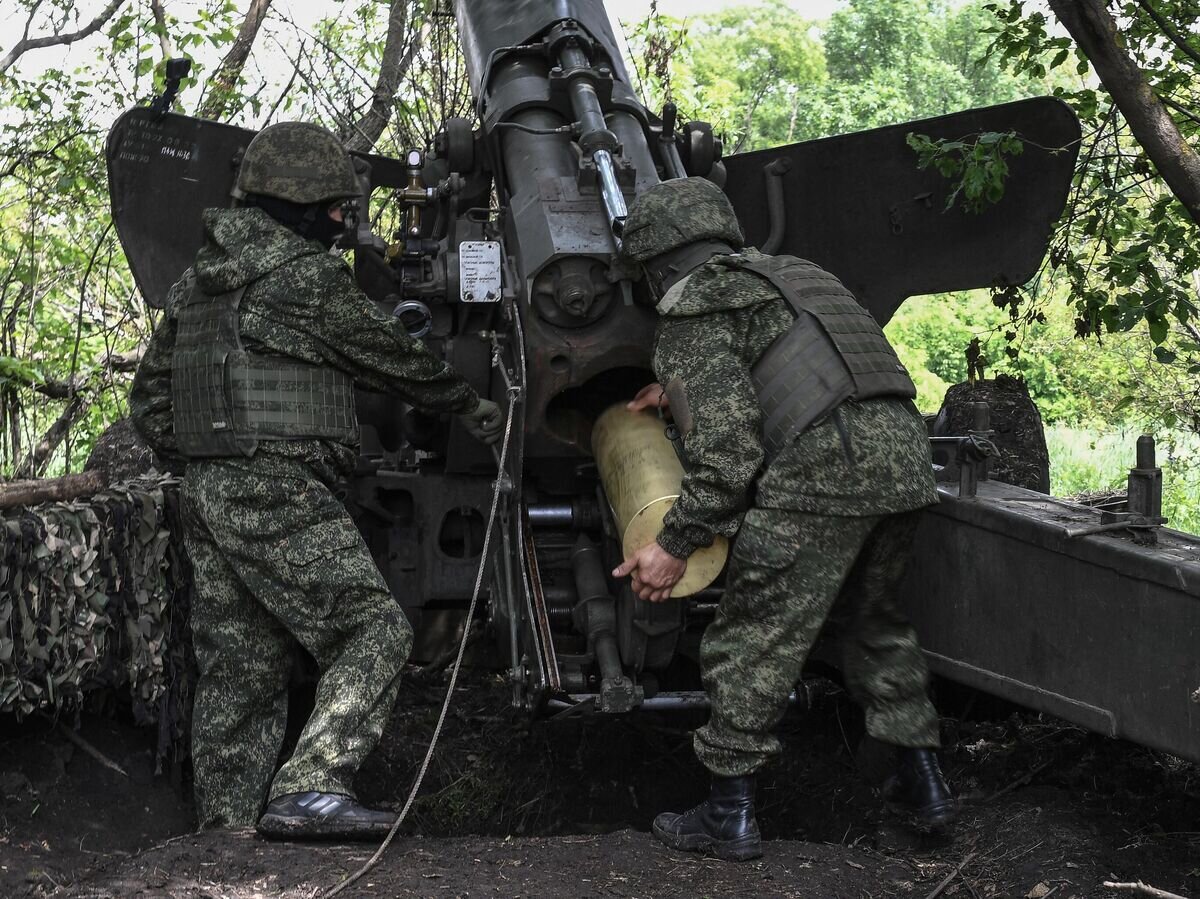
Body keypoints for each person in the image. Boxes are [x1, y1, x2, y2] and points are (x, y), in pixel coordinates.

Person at [130, 121, 502, 840]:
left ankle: (226, 833)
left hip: (209, 492)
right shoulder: (307, 276)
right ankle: (311, 784)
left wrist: (214, 450)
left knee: (243, 665)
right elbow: (392, 356)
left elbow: (148, 403)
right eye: (335, 208)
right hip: (280, 486)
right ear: (297, 207)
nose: (342, 221)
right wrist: (469, 403)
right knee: (374, 629)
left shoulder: (195, 286)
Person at [612, 176, 955, 862]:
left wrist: (675, 543)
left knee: (751, 640)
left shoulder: (697, 302)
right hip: (906, 468)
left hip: (820, 478)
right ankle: (927, 788)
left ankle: (728, 815)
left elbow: (729, 455)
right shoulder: (796, 275)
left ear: (659, 261)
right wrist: (676, 396)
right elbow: (792, 373)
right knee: (875, 624)